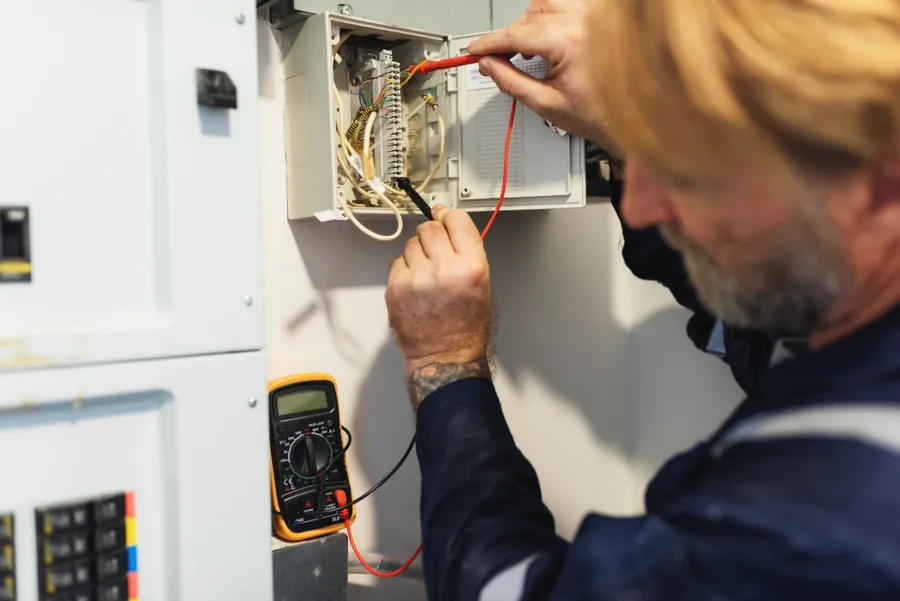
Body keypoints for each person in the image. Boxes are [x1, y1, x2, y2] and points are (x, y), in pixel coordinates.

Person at [384, 0, 900, 599]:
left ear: (878, 188)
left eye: (696, 167)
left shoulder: (819, 515)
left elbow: (507, 589)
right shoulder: (847, 322)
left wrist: (443, 362)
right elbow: (765, 310)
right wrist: (633, 123)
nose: (640, 208)